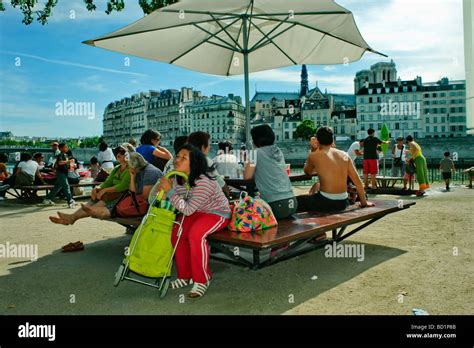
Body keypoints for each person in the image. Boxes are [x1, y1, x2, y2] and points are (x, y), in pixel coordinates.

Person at [157, 144, 230, 298]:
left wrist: (169, 191)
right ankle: (185, 276)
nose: (177, 159)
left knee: (196, 236)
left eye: (183, 158)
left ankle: (202, 279)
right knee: (177, 234)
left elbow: (187, 209)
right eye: (177, 156)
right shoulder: (177, 177)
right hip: (197, 211)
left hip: (217, 213)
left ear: (194, 163)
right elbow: (176, 202)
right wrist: (164, 191)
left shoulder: (203, 181)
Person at [48, 144, 133, 225]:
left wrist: (104, 190)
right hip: (113, 194)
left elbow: (123, 186)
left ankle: (72, 218)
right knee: (93, 199)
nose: (118, 154)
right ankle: (71, 217)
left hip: (123, 195)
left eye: (122, 152)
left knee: (99, 202)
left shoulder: (130, 169)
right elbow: (108, 182)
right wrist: (97, 188)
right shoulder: (116, 168)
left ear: (128, 155)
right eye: (117, 152)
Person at [300, 126, 373, 212]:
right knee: (316, 187)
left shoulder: (314, 155)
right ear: (332, 139)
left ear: (317, 140)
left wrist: (313, 149)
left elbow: (307, 171)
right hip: (343, 202)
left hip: (325, 201)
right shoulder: (344, 155)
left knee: (297, 201)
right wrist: (364, 203)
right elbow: (358, 182)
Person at [243, 125, 297, 219]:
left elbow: (247, 176)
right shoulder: (278, 151)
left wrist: (247, 162)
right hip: (292, 202)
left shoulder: (255, 153)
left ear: (256, 139)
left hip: (276, 205)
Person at [42, 144, 75, 208]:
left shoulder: (66, 155)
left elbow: (65, 164)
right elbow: (59, 162)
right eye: (65, 147)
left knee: (57, 187)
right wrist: (68, 161)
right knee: (66, 185)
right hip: (60, 172)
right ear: (61, 148)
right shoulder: (61, 154)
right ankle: (70, 201)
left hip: (64, 172)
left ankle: (47, 199)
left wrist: (72, 165)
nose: (67, 148)